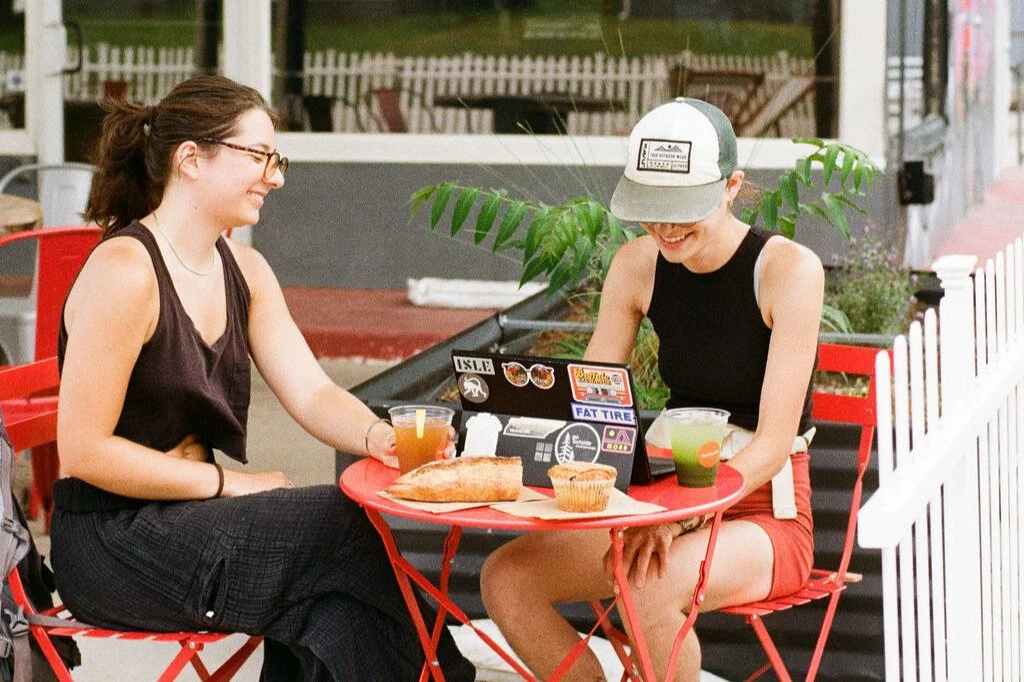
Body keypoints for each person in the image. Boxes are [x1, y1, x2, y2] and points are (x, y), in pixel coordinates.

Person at [49, 75, 475, 681]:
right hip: (113, 542)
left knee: (336, 614)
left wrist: (378, 437)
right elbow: (85, 452)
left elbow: (312, 390)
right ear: (191, 159)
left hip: (190, 527)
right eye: (259, 157)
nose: (275, 177)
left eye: (276, 159)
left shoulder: (245, 270)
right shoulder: (125, 271)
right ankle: (450, 673)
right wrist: (226, 484)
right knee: (342, 523)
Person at [480, 97, 823, 681]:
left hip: (763, 511)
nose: (664, 226)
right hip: (659, 496)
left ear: (731, 186)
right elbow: (589, 399)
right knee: (506, 577)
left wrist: (675, 519)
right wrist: (509, 435)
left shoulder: (788, 271)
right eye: (651, 207)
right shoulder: (638, 264)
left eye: (682, 207)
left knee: (645, 587)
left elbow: (770, 446)